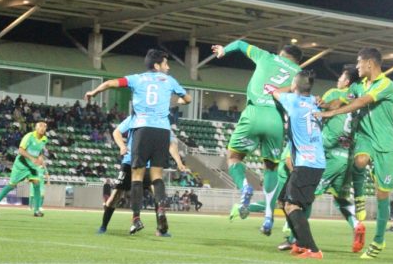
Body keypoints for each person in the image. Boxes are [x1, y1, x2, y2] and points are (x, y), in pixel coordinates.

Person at [85, 49, 191, 235]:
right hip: (160, 132)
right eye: (166, 64)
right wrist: (122, 146)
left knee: (137, 178)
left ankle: (137, 219)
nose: (168, 67)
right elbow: (187, 99)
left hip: (143, 133)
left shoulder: (136, 79)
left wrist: (93, 92)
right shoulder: (170, 81)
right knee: (156, 178)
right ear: (157, 65)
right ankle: (156, 213)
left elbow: (110, 83)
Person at [317, 48, 393, 260]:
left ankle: (378, 240)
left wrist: (332, 113)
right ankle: (359, 196)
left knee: (382, 194)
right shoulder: (356, 86)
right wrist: (325, 105)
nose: (357, 67)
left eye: (359, 62)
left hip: (385, 144)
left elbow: (360, 103)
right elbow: (342, 100)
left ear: (370, 63)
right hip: (365, 138)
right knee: (360, 160)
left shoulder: (386, 84)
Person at [211, 41, 302, 228]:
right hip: (276, 119)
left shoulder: (266, 56)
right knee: (271, 168)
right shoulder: (300, 73)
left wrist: (223, 51)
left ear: (281, 53)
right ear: (297, 60)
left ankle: (244, 186)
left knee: (234, 157)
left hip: (253, 113)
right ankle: (268, 217)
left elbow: (239, 44)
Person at [97, 114, 188, 236]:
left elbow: (172, 143)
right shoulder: (135, 117)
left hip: (149, 165)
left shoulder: (162, 121)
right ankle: (103, 226)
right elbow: (116, 132)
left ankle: (160, 229)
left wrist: (179, 161)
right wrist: (122, 146)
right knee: (117, 195)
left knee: (158, 196)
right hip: (130, 162)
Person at [270, 70, 326, 259]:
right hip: (311, 161)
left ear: (295, 85)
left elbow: (273, 91)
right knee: (282, 200)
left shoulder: (292, 101)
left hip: (308, 163)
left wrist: (291, 87)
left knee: (292, 205)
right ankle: (301, 244)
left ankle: (314, 250)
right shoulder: (315, 102)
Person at [313, 65, 366, 253]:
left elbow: (322, 107)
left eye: (341, 78)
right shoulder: (360, 101)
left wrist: (320, 104)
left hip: (329, 153)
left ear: (347, 82)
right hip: (347, 157)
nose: (338, 81)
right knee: (340, 199)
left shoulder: (335, 93)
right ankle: (356, 224)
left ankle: (294, 237)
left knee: (307, 193)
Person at [0, 120, 49, 218]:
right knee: (11, 185)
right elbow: (21, 150)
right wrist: (32, 158)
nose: (42, 128)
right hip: (21, 164)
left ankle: (37, 210)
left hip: (32, 166)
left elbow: (39, 151)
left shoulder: (44, 139)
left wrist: (40, 159)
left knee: (37, 184)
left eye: (44, 127)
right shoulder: (29, 136)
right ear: (36, 128)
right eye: (40, 126)